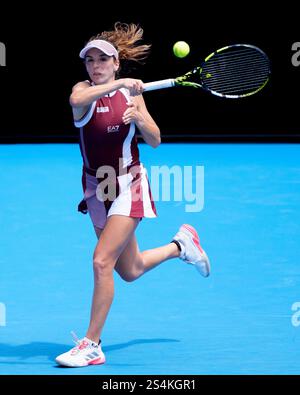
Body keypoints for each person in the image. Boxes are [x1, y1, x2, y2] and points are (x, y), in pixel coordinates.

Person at [55, 22, 210, 368]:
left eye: (103, 60)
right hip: (97, 187)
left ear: (116, 62)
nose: (95, 66)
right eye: (90, 61)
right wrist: (120, 85)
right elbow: (76, 100)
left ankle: (92, 344)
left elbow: (154, 140)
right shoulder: (82, 90)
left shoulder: (134, 95)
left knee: (101, 261)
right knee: (130, 269)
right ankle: (181, 246)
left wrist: (139, 117)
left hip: (128, 183)